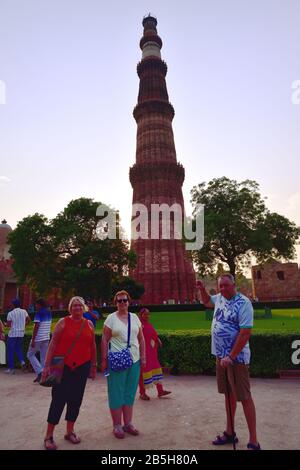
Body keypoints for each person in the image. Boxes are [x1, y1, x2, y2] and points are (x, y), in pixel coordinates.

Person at [196, 274, 261, 450]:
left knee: (244, 397)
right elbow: (207, 302)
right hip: (220, 356)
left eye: (226, 286)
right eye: (220, 286)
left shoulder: (243, 303)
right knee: (228, 394)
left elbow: (245, 332)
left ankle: (253, 440)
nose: (223, 289)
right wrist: (202, 290)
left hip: (236, 359)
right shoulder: (219, 299)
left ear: (234, 285)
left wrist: (231, 356)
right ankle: (230, 432)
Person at [41, 296, 97, 450]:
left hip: (82, 367)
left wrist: (93, 365)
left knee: (75, 400)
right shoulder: (63, 322)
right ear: (70, 308)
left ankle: (70, 431)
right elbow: (52, 345)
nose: (77, 308)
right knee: (58, 400)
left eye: (80, 305)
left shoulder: (89, 324)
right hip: (63, 368)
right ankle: (49, 435)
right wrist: (46, 366)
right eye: (74, 306)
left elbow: (92, 346)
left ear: (84, 308)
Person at [101, 290, 146, 439]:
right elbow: (104, 339)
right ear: (116, 303)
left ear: (129, 301)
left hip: (134, 360)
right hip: (117, 361)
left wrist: (143, 357)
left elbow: (141, 338)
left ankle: (128, 423)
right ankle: (117, 425)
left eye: (124, 300)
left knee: (129, 392)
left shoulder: (134, 318)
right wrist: (104, 359)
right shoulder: (111, 319)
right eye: (119, 301)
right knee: (116, 393)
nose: (122, 303)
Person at [138, 307, 171, 400]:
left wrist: (157, 339)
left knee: (157, 369)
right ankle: (142, 393)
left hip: (152, 352)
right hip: (144, 352)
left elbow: (153, 334)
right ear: (141, 315)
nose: (147, 316)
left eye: (148, 314)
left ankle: (160, 391)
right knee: (143, 373)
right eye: (145, 314)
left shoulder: (148, 324)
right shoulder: (139, 325)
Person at [27, 298, 52, 383]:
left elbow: (36, 326)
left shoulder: (39, 313)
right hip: (46, 337)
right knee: (43, 357)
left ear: (40, 305)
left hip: (38, 337)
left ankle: (40, 372)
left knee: (30, 355)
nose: (35, 306)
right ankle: (44, 374)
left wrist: (33, 339)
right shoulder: (49, 312)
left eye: (36, 304)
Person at [5, 298, 30, 374]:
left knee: (10, 351)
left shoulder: (10, 313)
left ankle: (11, 369)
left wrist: (6, 324)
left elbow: (9, 325)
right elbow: (29, 319)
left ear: (13, 305)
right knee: (18, 348)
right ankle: (22, 362)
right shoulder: (24, 311)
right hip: (21, 333)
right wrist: (23, 325)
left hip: (13, 334)